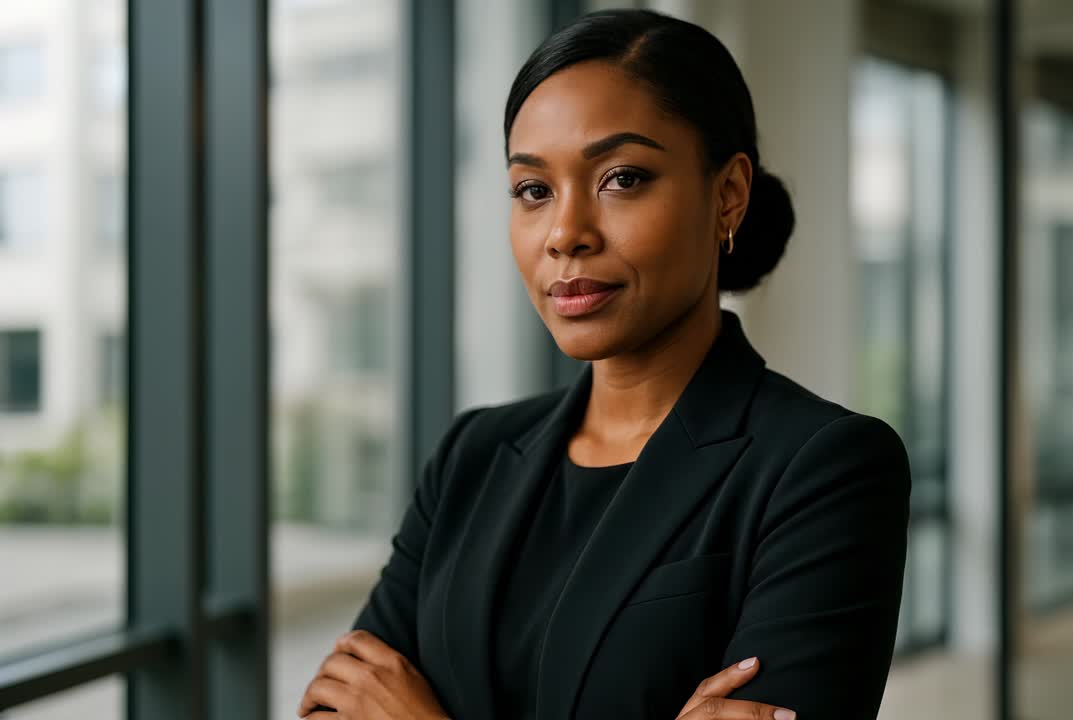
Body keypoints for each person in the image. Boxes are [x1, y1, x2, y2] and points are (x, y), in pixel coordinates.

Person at [297, 8, 910, 720]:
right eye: (533, 190)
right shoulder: (473, 455)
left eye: (621, 178)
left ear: (728, 195)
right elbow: (338, 702)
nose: (566, 234)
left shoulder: (823, 469)